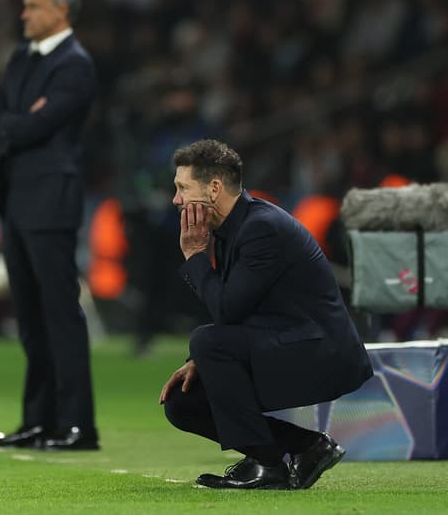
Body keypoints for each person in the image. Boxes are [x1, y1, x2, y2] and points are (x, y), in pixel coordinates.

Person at [159, 139, 373, 489]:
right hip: (286, 343)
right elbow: (238, 310)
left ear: (214, 188)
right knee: (183, 401)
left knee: (205, 339)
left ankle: (268, 465)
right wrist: (198, 359)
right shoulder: (235, 228)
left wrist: (195, 256)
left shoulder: (261, 228)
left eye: (182, 188)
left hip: (320, 355)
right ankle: (307, 448)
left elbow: (227, 309)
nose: (176, 200)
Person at [0, 0, 99, 450]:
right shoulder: (22, 58)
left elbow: (36, 127)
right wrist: (18, 121)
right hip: (17, 201)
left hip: (51, 202)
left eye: (32, 6)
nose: (23, 13)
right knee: (28, 316)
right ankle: (38, 420)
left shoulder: (76, 64)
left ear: (61, 9)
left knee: (59, 314)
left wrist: (16, 122)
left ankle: (77, 426)